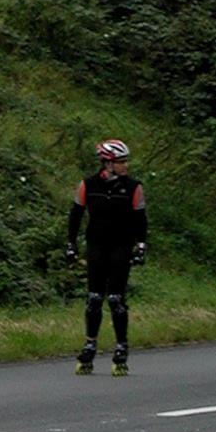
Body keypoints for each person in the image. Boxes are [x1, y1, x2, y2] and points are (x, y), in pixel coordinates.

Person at [66, 139, 148, 374]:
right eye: (121, 162)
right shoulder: (88, 185)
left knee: (115, 299)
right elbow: (75, 215)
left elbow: (140, 219)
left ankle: (121, 347)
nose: (126, 166)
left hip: (121, 246)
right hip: (97, 246)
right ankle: (90, 344)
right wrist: (71, 244)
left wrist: (141, 245)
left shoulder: (133, 187)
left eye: (125, 161)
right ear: (108, 163)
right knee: (94, 298)